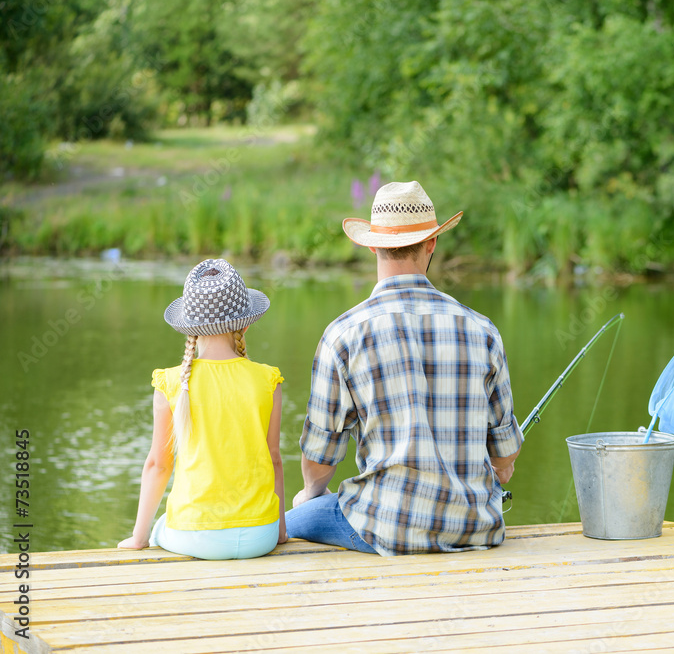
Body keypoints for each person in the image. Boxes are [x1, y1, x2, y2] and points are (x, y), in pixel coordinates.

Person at [287, 181, 522, 556]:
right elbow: (505, 455)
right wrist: (497, 473)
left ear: (372, 244)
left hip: (383, 527)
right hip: (475, 528)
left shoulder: (344, 335)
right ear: (431, 243)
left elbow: (320, 458)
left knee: (281, 525)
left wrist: (310, 495)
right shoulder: (482, 331)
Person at [118, 258, 287, 559]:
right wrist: (280, 532)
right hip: (261, 536)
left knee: (158, 529)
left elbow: (159, 465)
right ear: (246, 322)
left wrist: (138, 538)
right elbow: (274, 459)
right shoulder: (268, 380)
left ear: (189, 327)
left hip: (196, 536)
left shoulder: (170, 382)